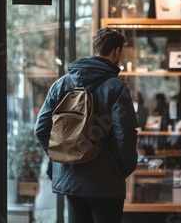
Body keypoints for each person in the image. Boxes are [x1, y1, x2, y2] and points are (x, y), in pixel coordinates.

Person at [34, 27, 139, 223]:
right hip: (106, 182)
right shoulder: (117, 87)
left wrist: (61, 156)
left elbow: (41, 130)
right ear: (116, 52)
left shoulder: (61, 84)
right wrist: (123, 168)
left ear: (94, 49)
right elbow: (125, 133)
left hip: (69, 177)